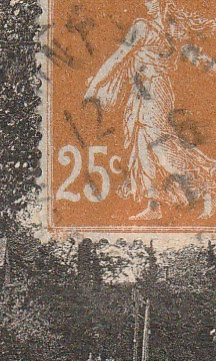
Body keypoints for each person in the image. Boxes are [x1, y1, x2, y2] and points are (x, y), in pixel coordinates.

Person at [84, 0, 216, 218]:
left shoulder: (158, 30)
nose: (147, 4)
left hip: (155, 91)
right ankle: (154, 206)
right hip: (142, 91)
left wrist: (94, 86)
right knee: (141, 146)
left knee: (162, 148)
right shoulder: (154, 28)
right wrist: (95, 85)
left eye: (152, 1)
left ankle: (206, 186)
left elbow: (117, 58)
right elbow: (118, 57)